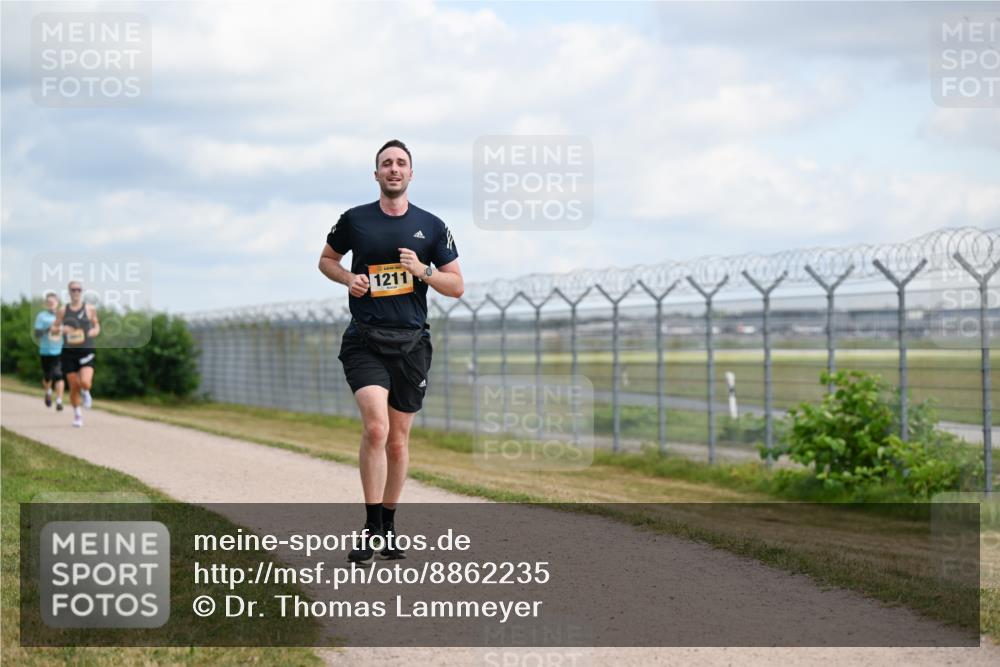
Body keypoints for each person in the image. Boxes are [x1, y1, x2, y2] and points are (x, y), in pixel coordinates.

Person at [318, 139, 464, 564]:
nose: (394, 169)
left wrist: (424, 271)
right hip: (365, 339)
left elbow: (456, 286)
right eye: (386, 164)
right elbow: (326, 260)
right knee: (377, 428)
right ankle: (370, 525)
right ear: (376, 174)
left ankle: (389, 523)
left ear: (411, 174)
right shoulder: (355, 220)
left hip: (411, 343)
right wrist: (348, 279)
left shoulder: (432, 226)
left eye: (401, 163)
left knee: (398, 442)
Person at [55, 281, 100, 427]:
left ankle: (86, 392)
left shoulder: (90, 309)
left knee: (85, 381)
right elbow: (53, 329)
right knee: (74, 386)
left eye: (79, 289)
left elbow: (96, 325)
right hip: (69, 353)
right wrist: (62, 329)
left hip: (85, 349)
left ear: (82, 291)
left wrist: (94, 331)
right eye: (73, 290)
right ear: (69, 292)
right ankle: (78, 415)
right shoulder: (63, 310)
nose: (76, 292)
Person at [33, 292, 65, 411]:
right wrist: (48, 329)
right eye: (49, 302)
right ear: (46, 304)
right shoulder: (42, 316)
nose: (51, 304)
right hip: (45, 351)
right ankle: (48, 393)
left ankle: (59, 401)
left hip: (60, 350)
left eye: (53, 302)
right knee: (48, 376)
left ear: (57, 303)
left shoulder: (62, 316)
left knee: (59, 375)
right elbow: (37, 334)